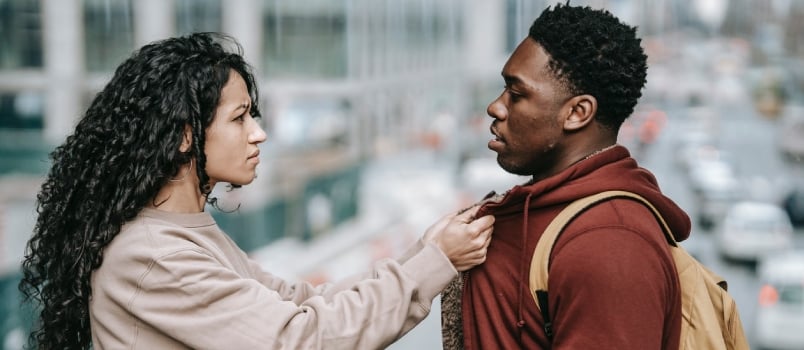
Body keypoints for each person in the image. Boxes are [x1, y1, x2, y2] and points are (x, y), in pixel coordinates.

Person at [19, 32, 494, 350]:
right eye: (239, 117)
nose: (258, 133)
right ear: (185, 135)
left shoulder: (183, 233)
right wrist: (437, 264)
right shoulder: (152, 257)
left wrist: (425, 252)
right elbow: (301, 338)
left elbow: (297, 297)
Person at [441, 3, 690, 349]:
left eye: (516, 94)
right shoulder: (542, 206)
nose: (495, 107)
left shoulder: (610, 244)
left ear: (577, 112)